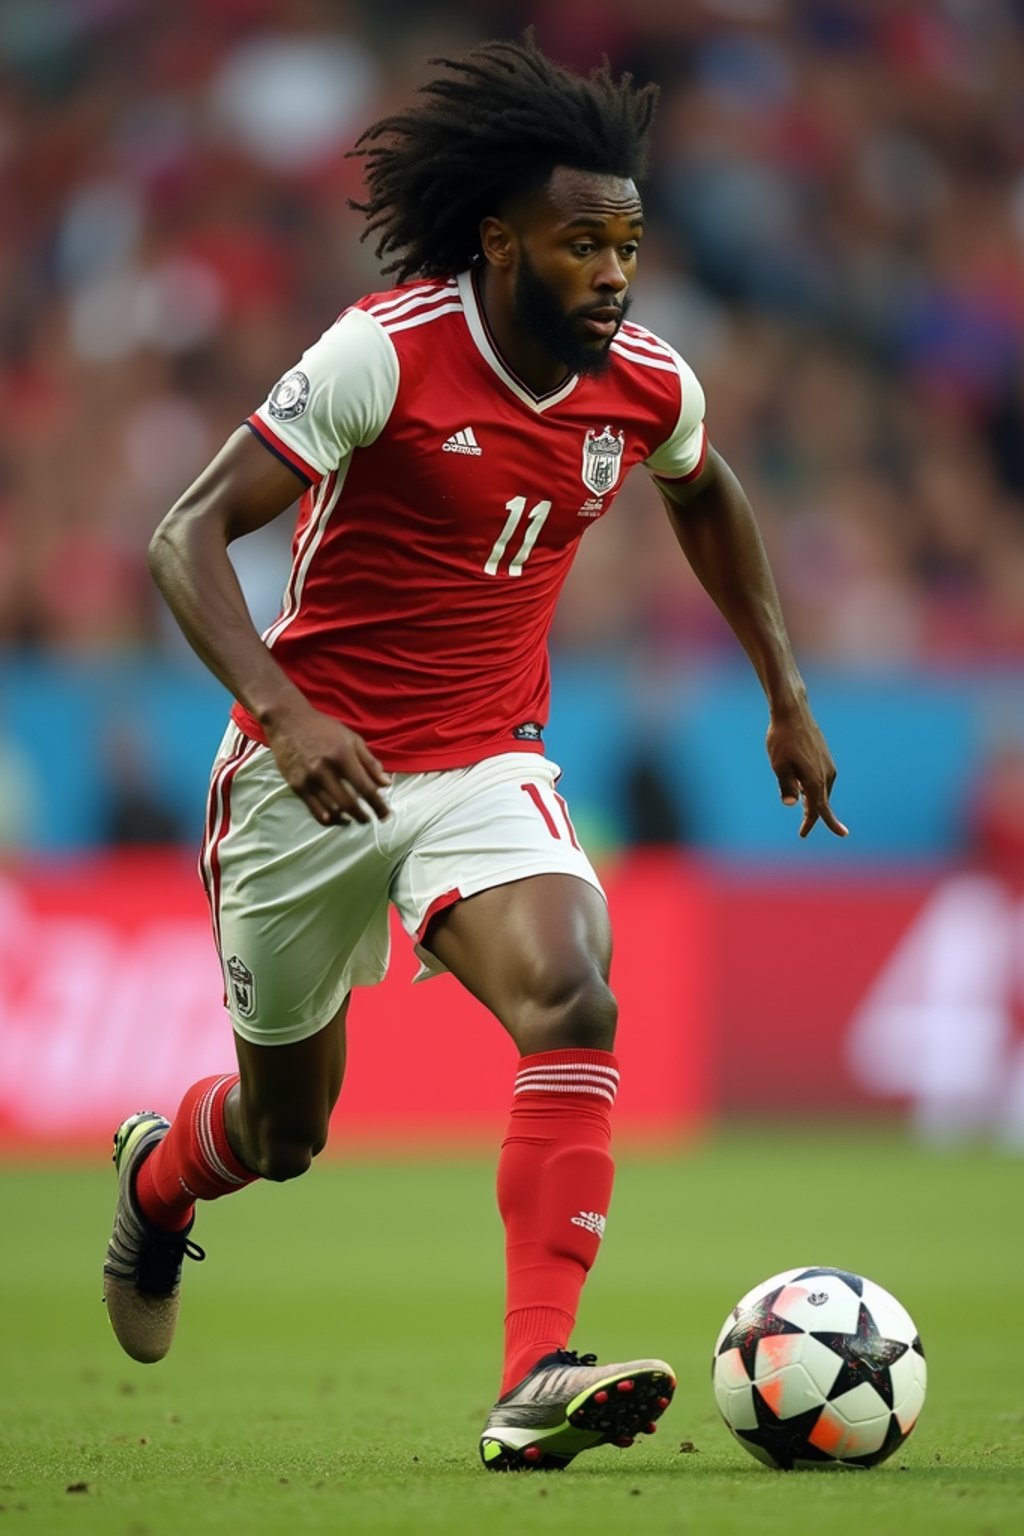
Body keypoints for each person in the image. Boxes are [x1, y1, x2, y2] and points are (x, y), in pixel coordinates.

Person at [102, 35, 847, 1472]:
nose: (616, 271)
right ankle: (159, 1175)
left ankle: (532, 1378)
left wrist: (786, 689)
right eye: (584, 243)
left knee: (575, 992)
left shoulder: (643, 382)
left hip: (481, 762)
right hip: (300, 775)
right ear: (503, 242)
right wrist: (284, 712)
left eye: (628, 241)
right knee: (285, 1131)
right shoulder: (385, 352)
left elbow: (708, 492)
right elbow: (181, 534)